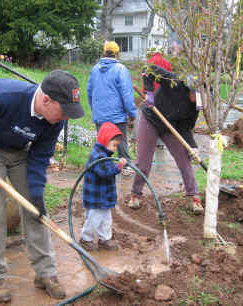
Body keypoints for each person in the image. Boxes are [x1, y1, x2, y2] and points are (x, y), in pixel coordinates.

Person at [0, 70, 85, 302]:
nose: (65, 118)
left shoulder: (54, 122)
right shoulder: (3, 96)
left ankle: (46, 274)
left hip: (21, 153)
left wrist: (36, 193)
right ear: (46, 100)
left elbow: (40, 156)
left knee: (36, 212)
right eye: (64, 111)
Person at [129, 64, 204, 215]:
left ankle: (194, 197)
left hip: (170, 127)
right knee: (144, 163)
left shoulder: (195, 106)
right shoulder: (174, 82)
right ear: (190, 90)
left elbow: (185, 128)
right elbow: (148, 69)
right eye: (196, 96)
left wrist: (192, 146)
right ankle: (135, 195)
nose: (197, 101)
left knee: (184, 158)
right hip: (151, 119)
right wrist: (149, 92)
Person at [87, 41, 137, 176]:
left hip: (100, 116)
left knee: (103, 144)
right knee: (121, 144)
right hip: (117, 116)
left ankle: (101, 167)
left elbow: (89, 92)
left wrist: (95, 110)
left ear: (104, 52)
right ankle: (125, 167)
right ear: (117, 54)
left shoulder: (95, 69)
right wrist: (132, 113)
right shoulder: (121, 69)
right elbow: (127, 94)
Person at [79, 122, 127, 251]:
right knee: (94, 219)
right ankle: (86, 239)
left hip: (103, 197)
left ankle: (105, 239)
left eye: (117, 146)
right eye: (114, 145)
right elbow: (104, 173)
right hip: (96, 197)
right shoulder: (98, 156)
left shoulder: (105, 155)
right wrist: (118, 167)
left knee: (106, 219)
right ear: (105, 140)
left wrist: (116, 166)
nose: (115, 149)